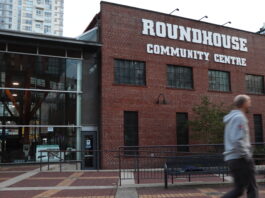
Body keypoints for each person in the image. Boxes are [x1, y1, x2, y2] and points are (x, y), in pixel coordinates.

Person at [222, 95, 258, 198]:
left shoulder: (232, 118)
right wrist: (246, 155)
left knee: (239, 190)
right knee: (252, 188)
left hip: (232, 158)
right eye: (249, 102)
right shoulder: (239, 118)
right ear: (244, 103)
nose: (250, 104)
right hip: (240, 158)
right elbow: (237, 140)